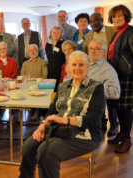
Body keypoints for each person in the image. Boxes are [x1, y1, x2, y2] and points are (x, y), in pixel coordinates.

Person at [19, 51, 105, 178]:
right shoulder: (63, 86)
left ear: (87, 67)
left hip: (85, 136)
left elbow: (94, 119)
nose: (77, 68)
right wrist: (43, 125)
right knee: (28, 146)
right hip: (58, 130)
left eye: (81, 65)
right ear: (69, 68)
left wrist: (65, 120)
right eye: (74, 65)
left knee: (46, 151)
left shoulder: (96, 88)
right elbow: (52, 111)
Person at [107, 4, 133, 153]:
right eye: (114, 16)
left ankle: (127, 139)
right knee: (120, 109)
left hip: (127, 76)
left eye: (120, 16)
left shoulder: (130, 32)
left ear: (126, 17)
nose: (116, 19)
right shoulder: (116, 33)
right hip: (117, 76)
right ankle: (122, 134)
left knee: (126, 109)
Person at [88, 39, 120, 133]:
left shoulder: (108, 70)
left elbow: (115, 93)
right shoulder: (85, 65)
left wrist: (92, 90)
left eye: (97, 48)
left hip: (92, 113)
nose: (93, 51)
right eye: (91, 48)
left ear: (104, 52)